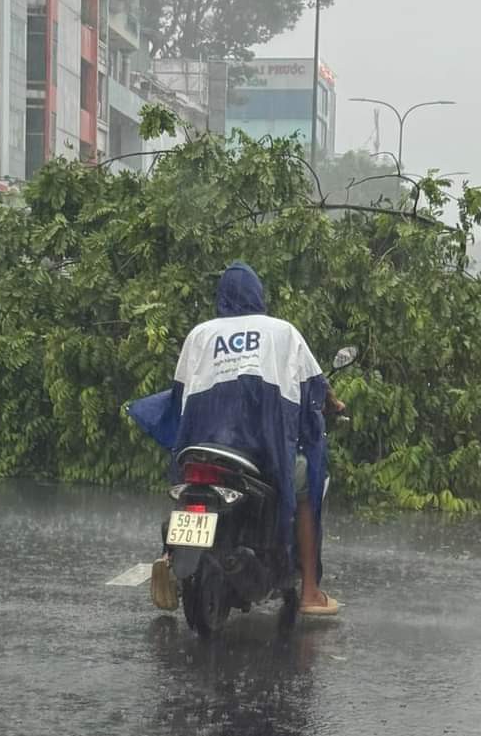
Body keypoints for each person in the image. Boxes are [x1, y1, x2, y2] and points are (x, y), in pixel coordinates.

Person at [128, 262, 343, 616]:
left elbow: (179, 395)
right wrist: (333, 405)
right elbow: (316, 388)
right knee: (306, 485)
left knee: (185, 483)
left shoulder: (200, 334)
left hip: (204, 448)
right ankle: (309, 592)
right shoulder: (282, 332)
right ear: (258, 295)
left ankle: (169, 556)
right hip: (262, 449)